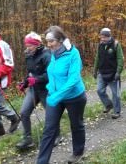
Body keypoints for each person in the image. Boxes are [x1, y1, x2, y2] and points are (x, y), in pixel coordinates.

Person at [36, 26, 86, 164]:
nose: (48, 44)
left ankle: (78, 152)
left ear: (60, 39)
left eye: (51, 41)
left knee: (76, 125)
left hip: (74, 97)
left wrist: (56, 96)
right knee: (49, 129)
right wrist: (49, 88)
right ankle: (42, 161)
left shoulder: (73, 54)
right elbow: (51, 74)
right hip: (54, 96)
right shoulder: (52, 53)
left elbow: (73, 79)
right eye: (47, 41)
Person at [15, 32, 55, 150]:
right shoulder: (28, 55)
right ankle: (27, 139)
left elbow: (51, 74)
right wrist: (25, 83)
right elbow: (30, 73)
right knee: (24, 112)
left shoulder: (46, 55)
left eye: (30, 45)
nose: (28, 48)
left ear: (37, 44)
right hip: (33, 89)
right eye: (26, 45)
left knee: (51, 113)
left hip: (46, 89)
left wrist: (36, 80)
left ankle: (56, 135)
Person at [93, 28, 124, 119]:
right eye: (101, 37)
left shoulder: (116, 44)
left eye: (104, 37)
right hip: (102, 72)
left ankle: (117, 111)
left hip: (113, 73)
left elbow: (120, 59)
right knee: (99, 90)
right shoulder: (100, 45)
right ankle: (108, 104)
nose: (102, 39)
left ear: (108, 36)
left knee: (115, 94)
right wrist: (95, 70)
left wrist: (118, 72)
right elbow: (97, 58)